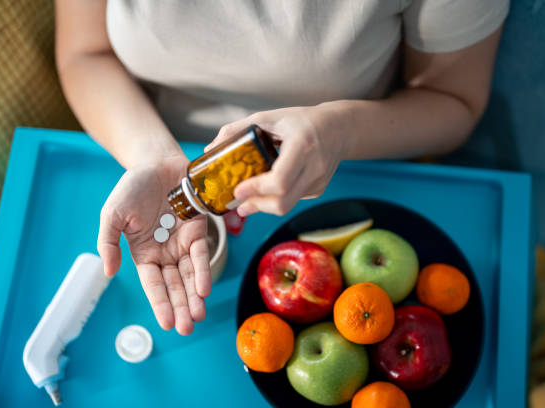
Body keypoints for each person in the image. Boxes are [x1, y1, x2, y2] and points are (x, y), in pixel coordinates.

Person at [55, 0, 508, 335]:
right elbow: (85, 54)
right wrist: (150, 154)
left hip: (351, 169)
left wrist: (338, 132)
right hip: (142, 136)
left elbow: (455, 102)